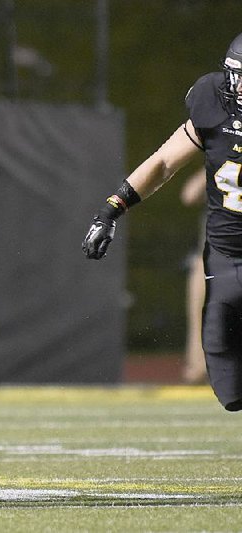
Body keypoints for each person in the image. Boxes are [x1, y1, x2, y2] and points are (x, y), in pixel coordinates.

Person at [82, 33, 242, 410]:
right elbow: (165, 162)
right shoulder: (214, 102)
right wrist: (111, 209)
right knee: (229, 389)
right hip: (225, 255)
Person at [179, 169, 208, 384]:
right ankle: (198, 368)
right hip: (209, 257)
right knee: (200, 319)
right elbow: (189, 195)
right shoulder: (219, 162)